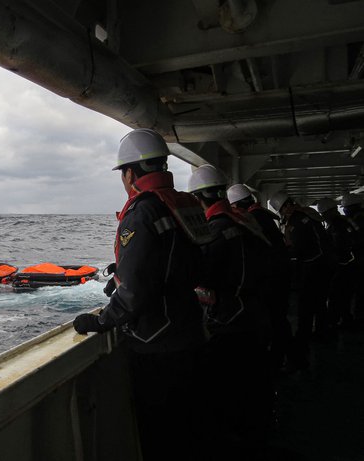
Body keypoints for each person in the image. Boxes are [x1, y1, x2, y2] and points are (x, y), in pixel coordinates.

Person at [73, 128, 210, 460]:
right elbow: (175, 262)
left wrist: (101, 320)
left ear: (131, 172)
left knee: (160, 433)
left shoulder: (142, 211)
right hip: (191, 329)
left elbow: (136, 291)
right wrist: (121, 275)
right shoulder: (182, 204)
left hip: (156, 343)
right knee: (189, 426)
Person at [189, 168, 272, 458]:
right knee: (252, 387)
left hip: (230, 323)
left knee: (230, 391)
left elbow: (204, 278)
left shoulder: (216, 229)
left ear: (198, 198)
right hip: (256, 316)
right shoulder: (246, 221)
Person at [228, 184, 292, 373]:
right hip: (280, 275)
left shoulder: (253, 219)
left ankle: (278, 360)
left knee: (274, 320)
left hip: (271, 279)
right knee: (278, 319)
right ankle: (285, 358)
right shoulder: (263, 216)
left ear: (237, 205)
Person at [269, 192, 334, 367]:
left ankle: (303, 338)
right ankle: (322, 331)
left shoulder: (297, 221)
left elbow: (296, 249)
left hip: (314, 267)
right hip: (324, 265)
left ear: (284, 208)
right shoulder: (307, 214)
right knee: (320, 302)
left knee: (306, 304)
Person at [317, 197, 357, 329]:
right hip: (349, 265)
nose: (324, 217)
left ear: (330, 212)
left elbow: (338, 246)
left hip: (341, 266)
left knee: (336, 296)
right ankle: (346, 320)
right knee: (345, 296)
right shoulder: (344, 222)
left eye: (324, 214)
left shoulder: (336, 226)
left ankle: (332, 323)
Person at [341, 193, 364, 319]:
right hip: (359, 259)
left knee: (357, 291)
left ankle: (358, 318)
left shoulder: (356, 220)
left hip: (359, 261)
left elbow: (357, 239)